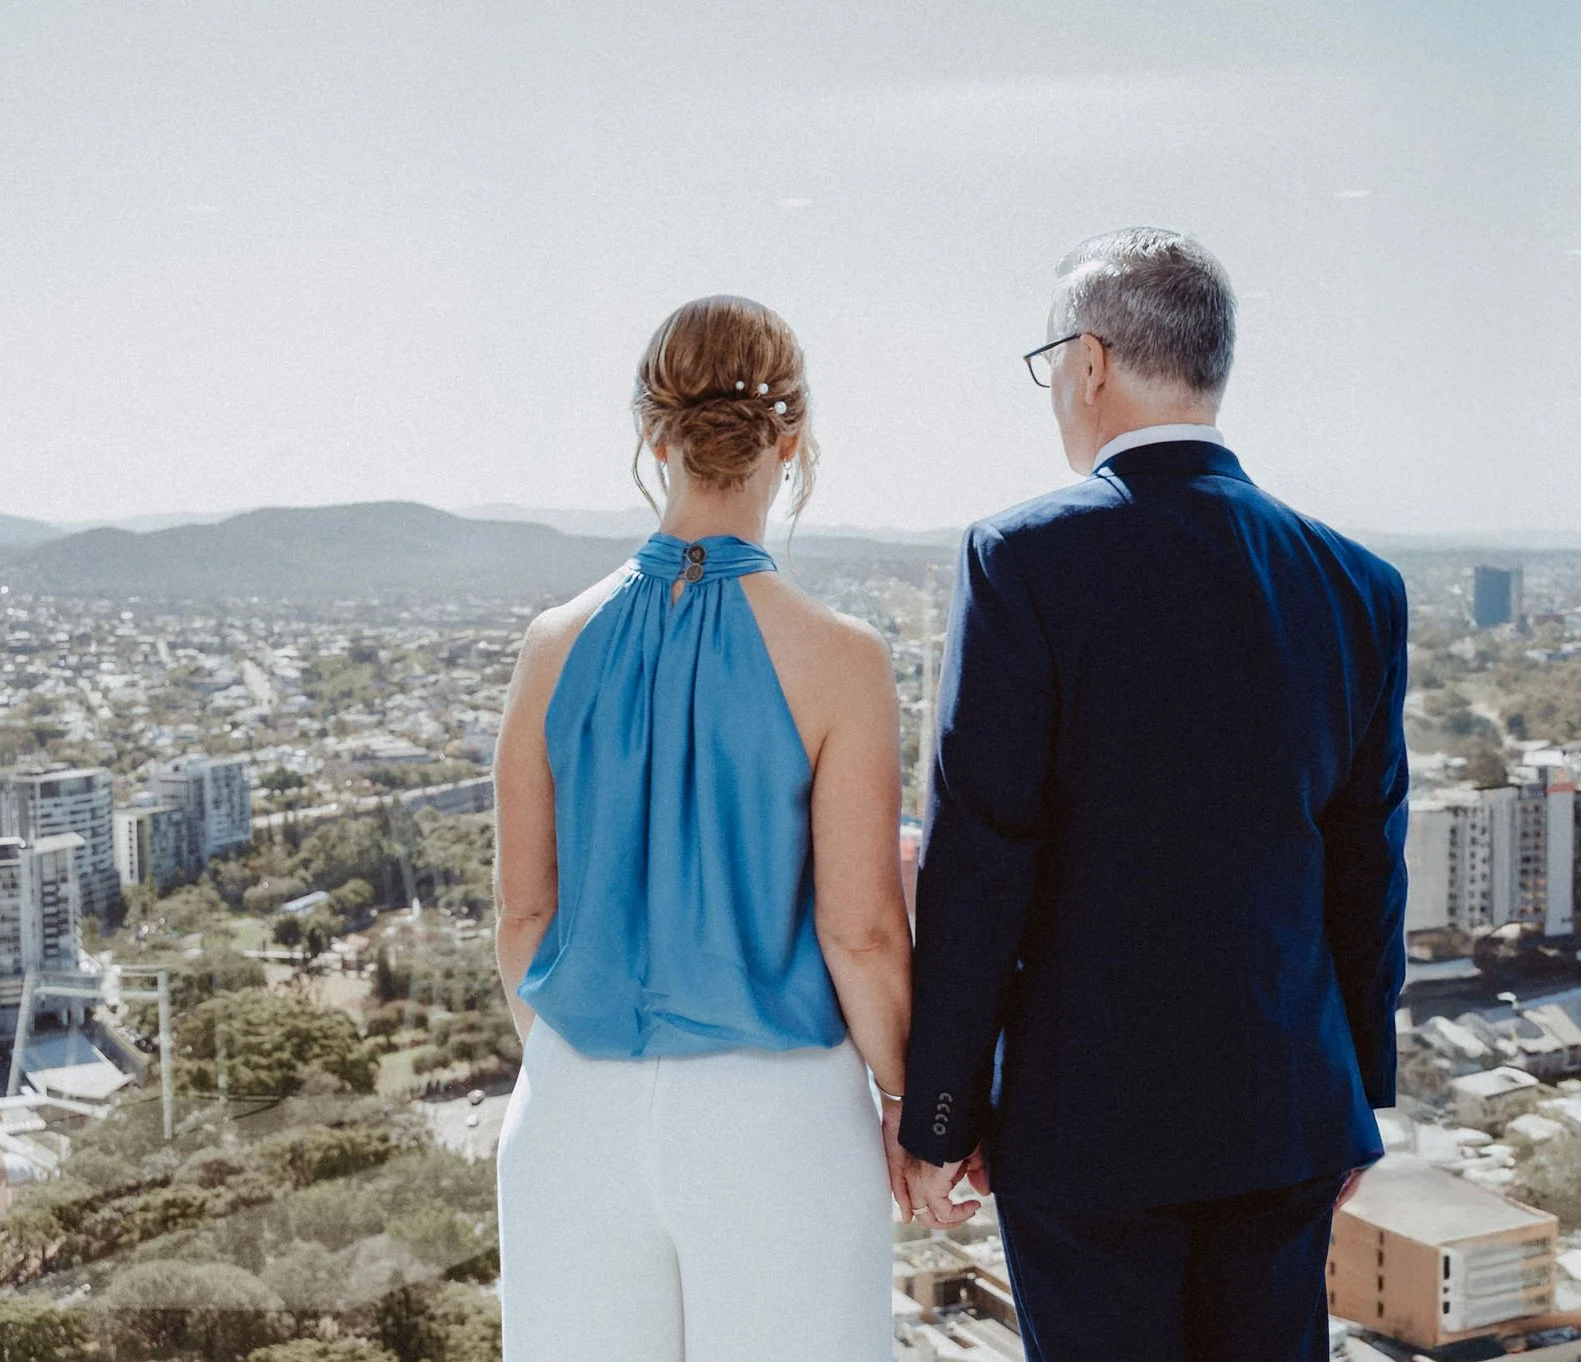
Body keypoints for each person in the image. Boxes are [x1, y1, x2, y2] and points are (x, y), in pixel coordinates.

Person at [897, 228, 1410, 1362]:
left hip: (1086, 1125)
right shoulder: (1357, 586)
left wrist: (939, 1114)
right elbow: (1365, 863)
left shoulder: (1020, 558)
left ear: (1087, 362)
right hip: (1285, 1112)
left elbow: (982, 855)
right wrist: (1356, 1095)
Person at [493, 295, 914, 1361]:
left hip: (570, 1104)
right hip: (778, 1119)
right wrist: (912, 1102)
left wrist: (573, 1067)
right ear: (792, 438)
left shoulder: (551, 645)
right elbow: (857, 933)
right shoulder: (841, 659)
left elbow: (523, 914)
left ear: (652, 432)